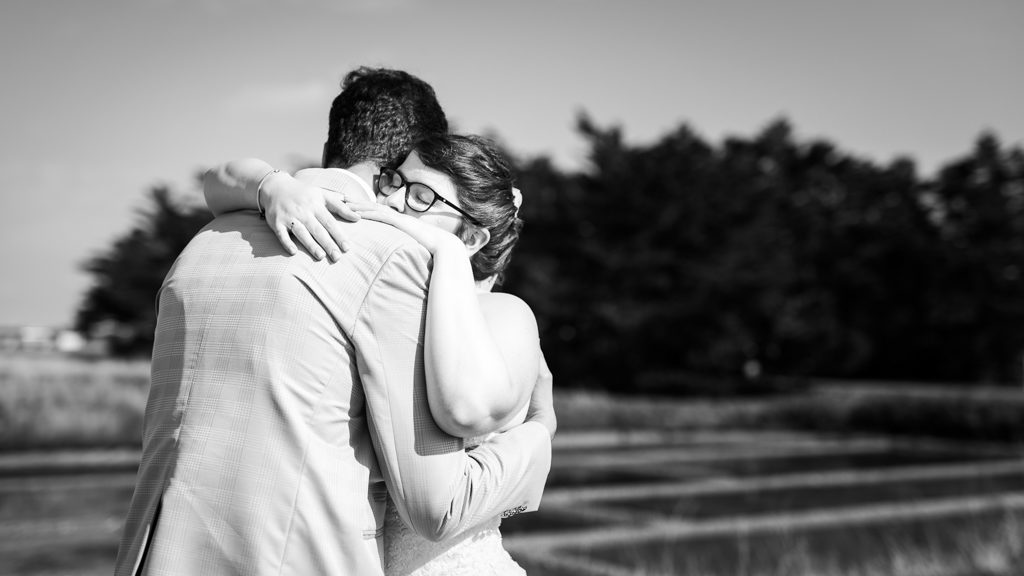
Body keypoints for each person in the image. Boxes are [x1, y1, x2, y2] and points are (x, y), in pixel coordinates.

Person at [113, 67, 555, 576]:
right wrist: (541, 432)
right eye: (403, 185)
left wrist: (268, 182)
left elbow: (221, 178)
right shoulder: (390, 260)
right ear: (395, 167)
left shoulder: (205, 242)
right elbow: (437, 503)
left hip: (154, 555)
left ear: (330, 148)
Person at [203, 133, 544, 575]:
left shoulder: (504, 311)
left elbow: (464, 410)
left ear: (473, 237)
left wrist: (448, 256)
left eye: (421, 197)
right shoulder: (389, 298)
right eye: (394, 182)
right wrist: (275, 187)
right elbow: (215, 180)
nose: (395, 201)